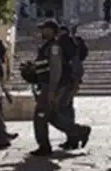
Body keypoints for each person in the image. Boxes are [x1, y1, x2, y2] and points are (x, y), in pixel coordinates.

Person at [30, 20, 92, 156]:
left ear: (52, 30)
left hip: (50, 86)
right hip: (46, 85)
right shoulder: (47, 46)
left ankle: (44, 146)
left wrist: (52, 90)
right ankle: (79, 131)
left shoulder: (54, 47)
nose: (42, 32)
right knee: (51, 116)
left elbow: (56, 69)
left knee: (40, 115)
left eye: (44, 29)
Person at [57, 25, 85, 150]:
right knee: (67, 109)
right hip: (68, 81)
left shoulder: (66, 43)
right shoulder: (70, 43)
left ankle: (79, 132)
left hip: (67, 81)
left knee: (60, 109)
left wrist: (76, 80)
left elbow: (76, 63)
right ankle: (72, 139)